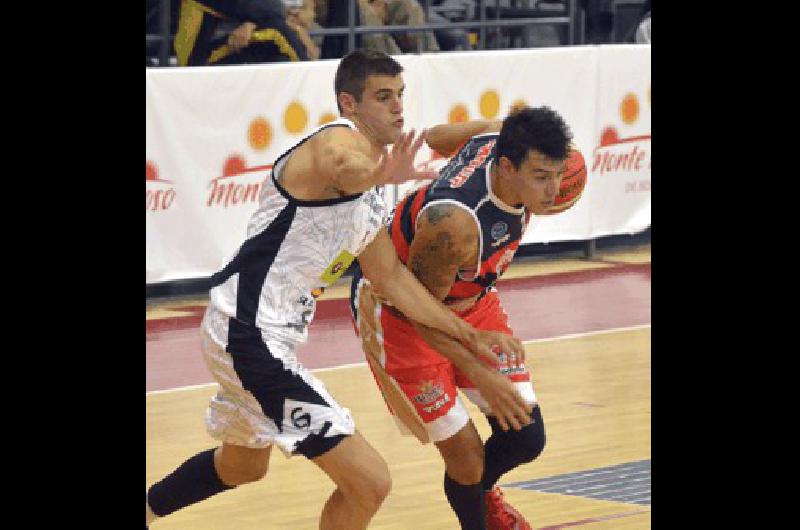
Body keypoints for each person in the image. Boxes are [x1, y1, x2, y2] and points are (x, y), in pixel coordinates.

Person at [145, 49, 529, 530]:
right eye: (383, 97)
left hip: (262, 335)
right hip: (247, 332)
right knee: (370, 482)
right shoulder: (336, 143)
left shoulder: (370, 190)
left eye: (400, 96)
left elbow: (393, 282)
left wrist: (470, 337)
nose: (397, 107)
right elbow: (343, 166)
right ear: (349, 103)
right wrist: (379, 174)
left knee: (241, 466)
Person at [349, 106, 576, 529]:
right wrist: (476, 367)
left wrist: (468, 137)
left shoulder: (497, 135)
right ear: (506, 167)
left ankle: (482, 495)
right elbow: (417, 311)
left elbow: (435, 138)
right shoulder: (453, 224)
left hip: (471, 296)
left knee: (525, 437)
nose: (554, 190)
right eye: (542, 177)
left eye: (559, 174)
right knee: (467, 460)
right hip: (403, 314)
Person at [173, 0, 309, 66]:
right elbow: (271, 9)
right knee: (278, 31)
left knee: (280, 54)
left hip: (232, 46)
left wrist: (252, 23)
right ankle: (309, 81)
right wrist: (256, 21)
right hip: (201, 60)